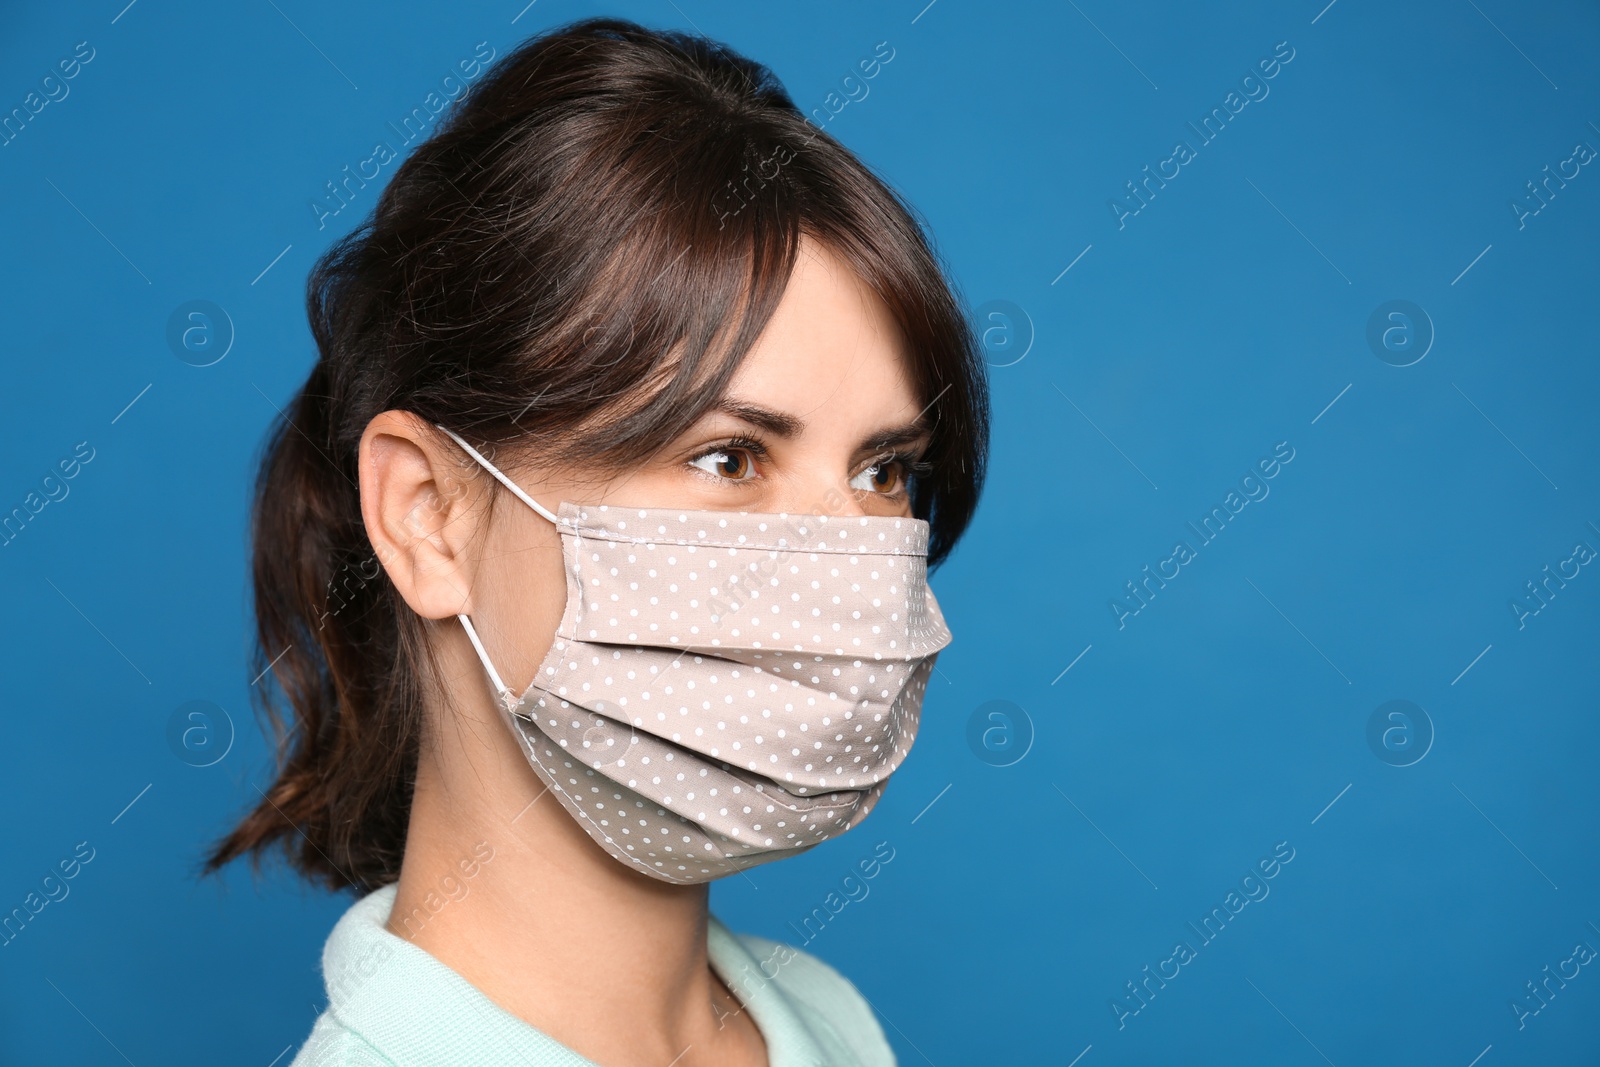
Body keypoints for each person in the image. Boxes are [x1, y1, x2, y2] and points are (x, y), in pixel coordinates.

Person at [204, 16, 989, 1066]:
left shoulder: (824, 1018)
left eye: (883, 470)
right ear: (426, 515)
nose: (845, 557)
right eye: (730, 457)